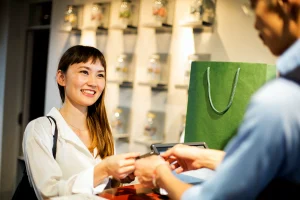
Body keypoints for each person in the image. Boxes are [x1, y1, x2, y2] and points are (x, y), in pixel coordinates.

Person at [134, 0, 300, 199]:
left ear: (284, 4)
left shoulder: (277, 102)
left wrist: (158, 174)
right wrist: (206, 157)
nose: (255, 24)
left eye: (255, 6)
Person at [23, 45, 139, 199]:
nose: (93, 83)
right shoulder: (40, 129)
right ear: (61, 78)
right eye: (84, 72)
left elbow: (103, 191)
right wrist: (103, 170)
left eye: (100, 75)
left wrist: (117, 177)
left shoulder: (103, 129)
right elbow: (48, 194)